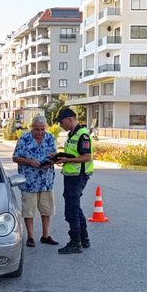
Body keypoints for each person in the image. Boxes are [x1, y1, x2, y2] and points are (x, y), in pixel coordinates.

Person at [12, 115, 59, 248]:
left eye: (42, 129)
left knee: (46, 209)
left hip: (46, 181)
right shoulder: (24, 138)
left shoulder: (50, 138)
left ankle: (45, 235)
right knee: (29, 211)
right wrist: (29, 161)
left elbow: (53, 154)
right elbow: (15, 157)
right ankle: (31, 237)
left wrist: (51, 161)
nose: (39, 132)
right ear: (32, 127)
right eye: (37, 129)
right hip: (29, 181)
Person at [54, 108, 93, 254]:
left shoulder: (82, 135)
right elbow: (74, 154)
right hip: (71, 176)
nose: (60, 125)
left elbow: (86, 157)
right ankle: (84, 239)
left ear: (70, 119)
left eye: (62, 122)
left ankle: (75, 243)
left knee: (71, 210)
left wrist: (67, 159)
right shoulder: (72, 133)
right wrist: (60, 156)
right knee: (75, 207)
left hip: (78, 176)